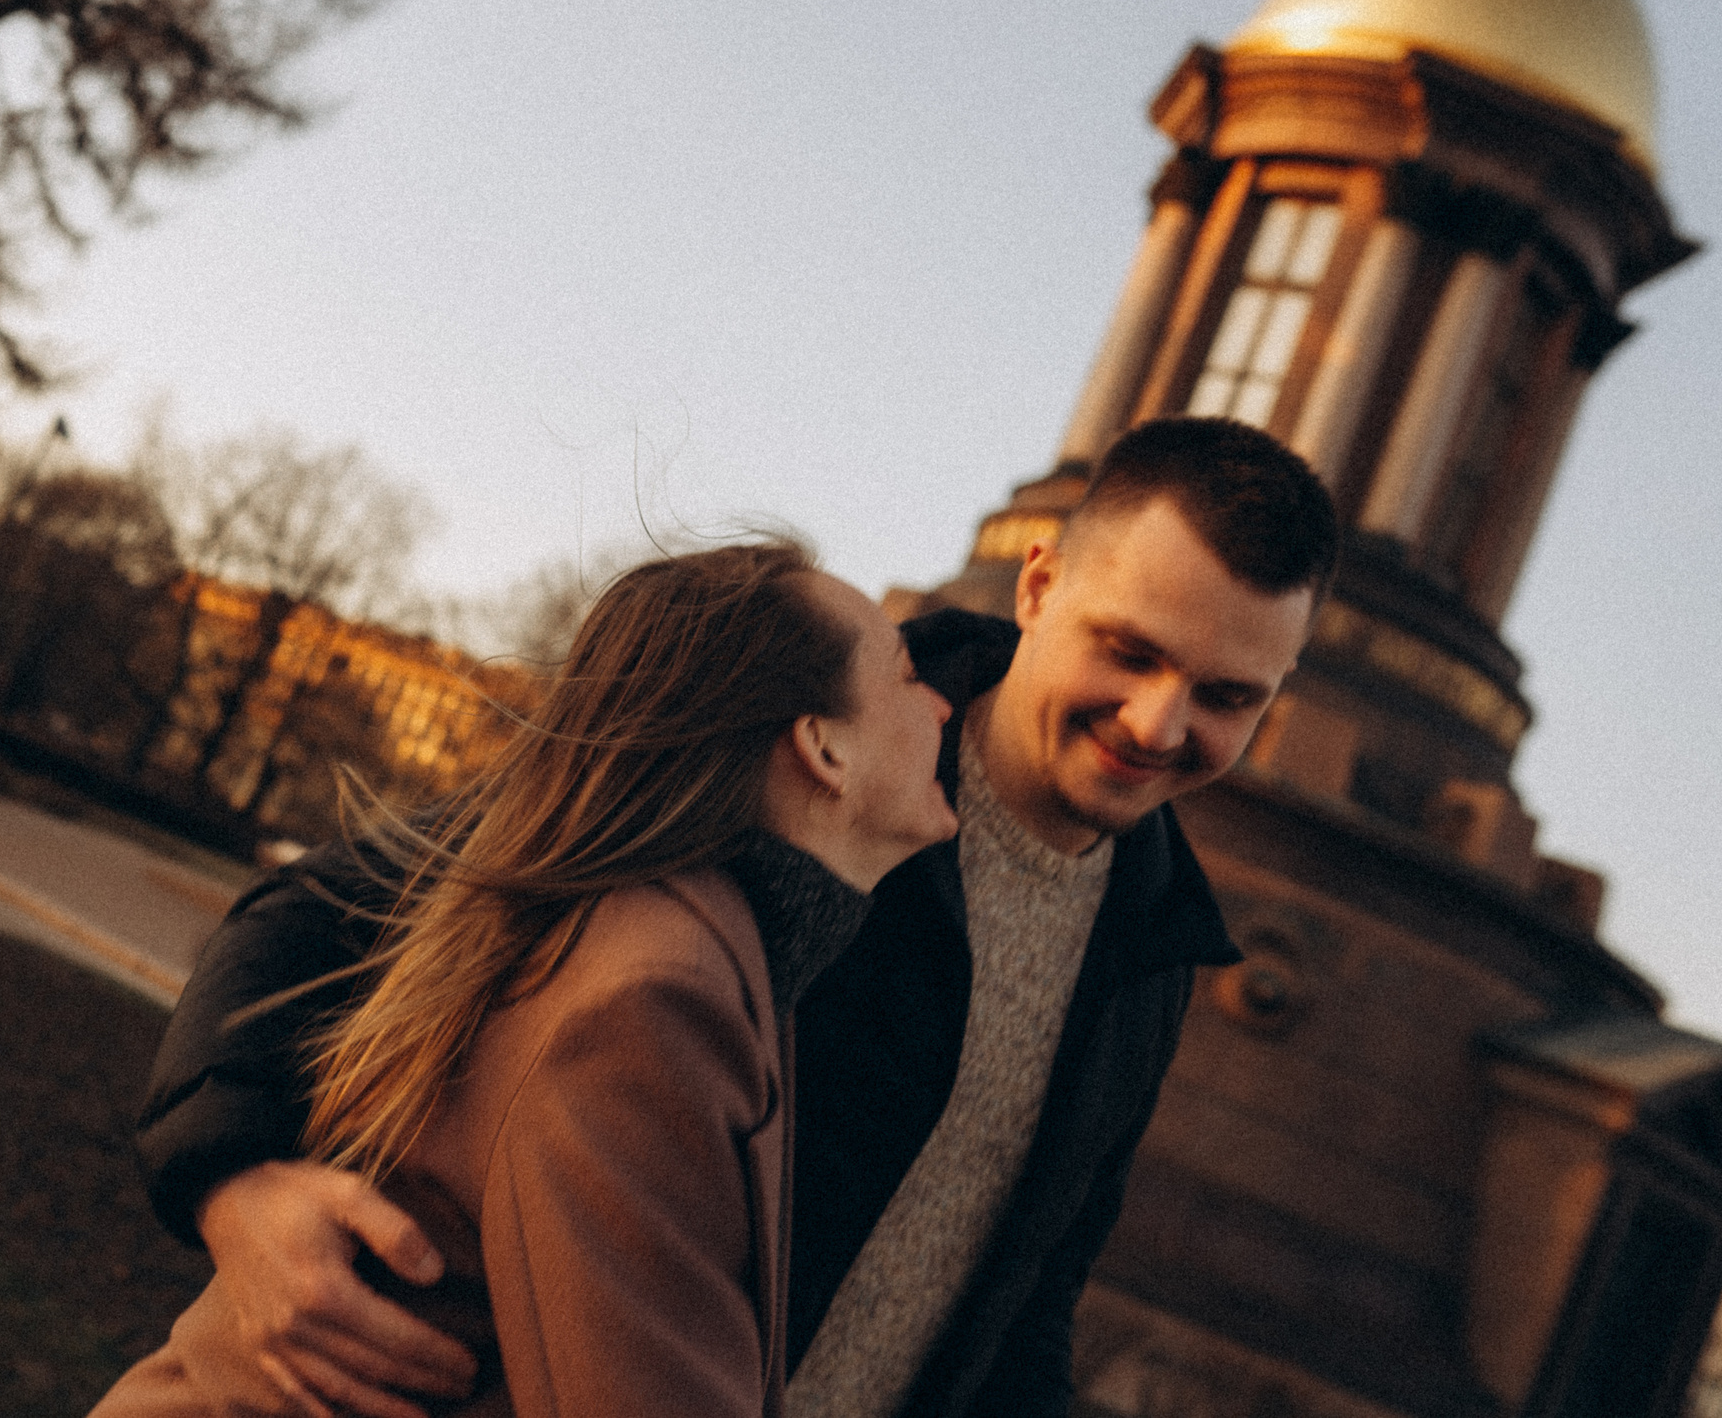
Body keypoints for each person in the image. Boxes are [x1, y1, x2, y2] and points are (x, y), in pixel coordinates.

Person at [133, 417, 1338, 1418]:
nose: (1158, 723)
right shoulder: (804, 745)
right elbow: (316, 912)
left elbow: (1027, 1297)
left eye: (1227, 696)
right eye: (1127, 652)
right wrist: (233, 1183)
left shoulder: (1156, 944)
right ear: (1038, 587)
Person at [92, 542, 960, 1416]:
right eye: (905, 675)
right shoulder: (657, 994)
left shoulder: (669, 933)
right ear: (822, 747)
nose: (942, 702)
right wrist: (225, 1173)